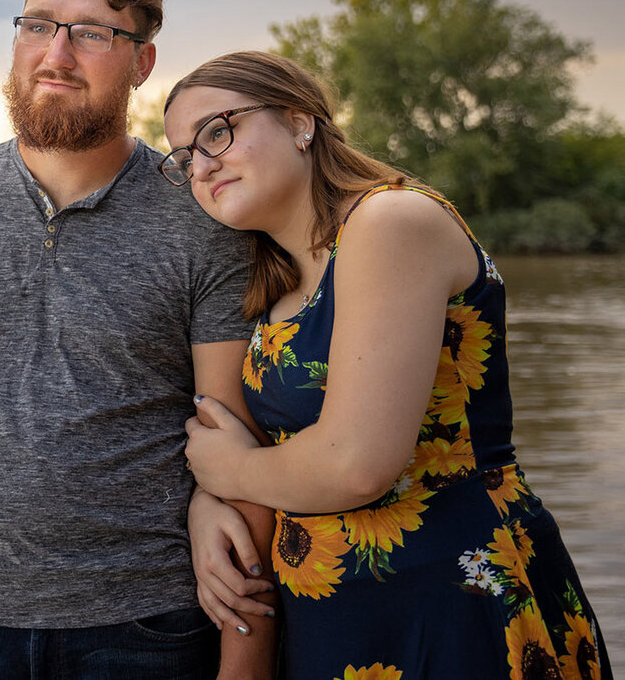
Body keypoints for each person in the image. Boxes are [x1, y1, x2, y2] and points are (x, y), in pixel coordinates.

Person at [0, 0, 278, 680]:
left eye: (91, 33)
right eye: (37, 25)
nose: (56, 53)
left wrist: (244, 658)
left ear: (142, 62)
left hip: (149, 630)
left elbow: (235, 437)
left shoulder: (200, 215)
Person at [165, 50, 612, 679]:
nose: (201, 165)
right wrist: (208, 501)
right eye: (183, 158)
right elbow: (281, 445)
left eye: (218, 131)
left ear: (300, 122)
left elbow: (357, 464)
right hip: (332, 612)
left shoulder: (390, 221)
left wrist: (230, 470)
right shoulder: (280, 280)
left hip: (454, 598)